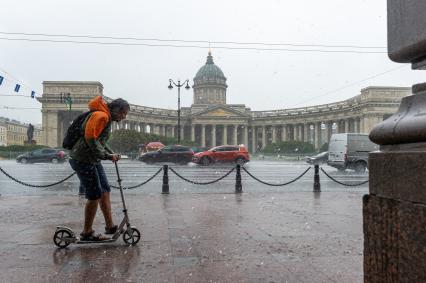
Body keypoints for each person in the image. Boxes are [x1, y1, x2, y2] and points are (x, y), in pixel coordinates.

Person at [69, 95, 130, 241]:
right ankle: (87, 232)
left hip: (92, 159)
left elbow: (99, 141)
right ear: (115, 110)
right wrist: (107, 156)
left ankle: (110, 226)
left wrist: (110, 153)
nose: (123, 117)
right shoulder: (101, 116)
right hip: (82, 159)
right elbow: (91, 139)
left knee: (105, 190)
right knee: (94, 194)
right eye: (123, 113)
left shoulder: (105, 117)